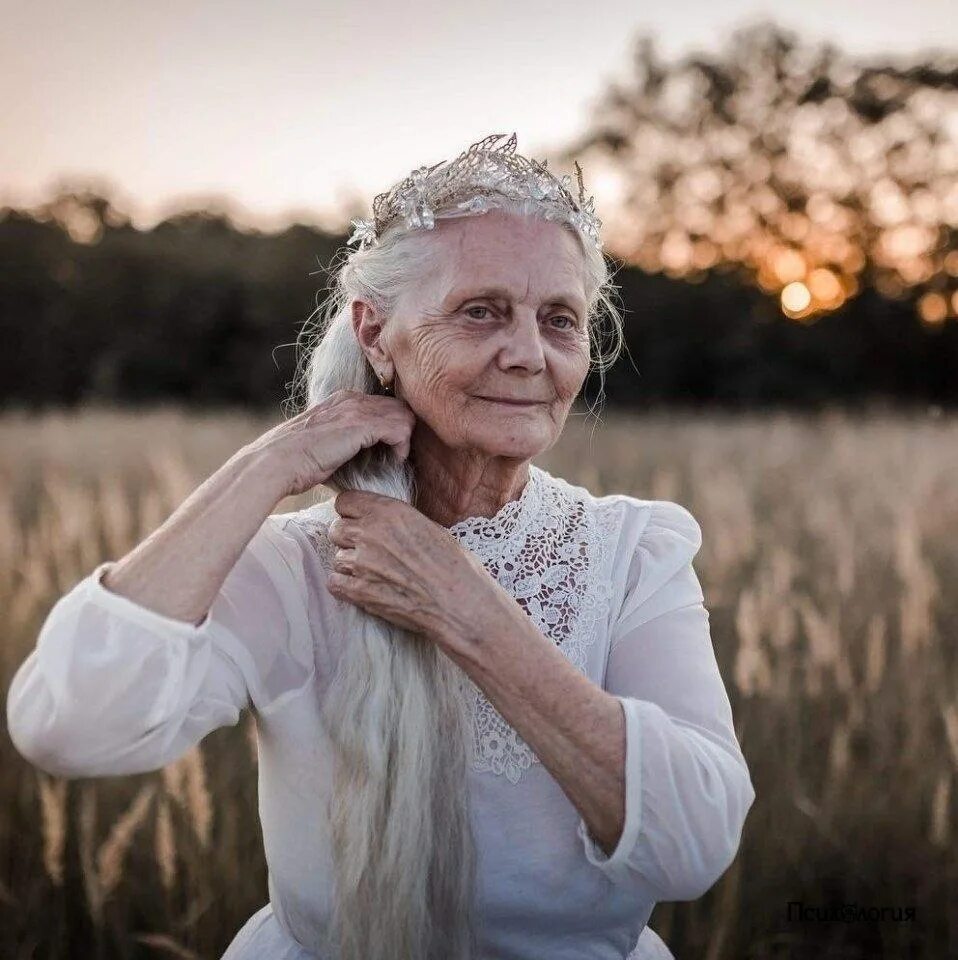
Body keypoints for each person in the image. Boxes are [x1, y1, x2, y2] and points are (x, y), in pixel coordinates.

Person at [6, 132, 755, 960]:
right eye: (482, 311)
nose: (528, 353)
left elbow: (695, 845)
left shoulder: (633, 551)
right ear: (374, 334)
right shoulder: (290, 570)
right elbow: (65, 727)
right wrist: (269, 463)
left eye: (559, 319)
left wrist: (467, 610)